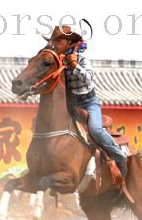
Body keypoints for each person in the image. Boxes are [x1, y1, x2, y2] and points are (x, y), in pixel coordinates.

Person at [46, 25, 128, 178]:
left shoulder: (83, 59)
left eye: (58, 41)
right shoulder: (59, 63)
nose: (55, 44)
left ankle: (119, 155)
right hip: (71, 105)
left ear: (68, 42)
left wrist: (75, 65)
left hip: (89, 103)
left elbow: (89, 78)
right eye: (54, 41)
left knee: (95, 130)